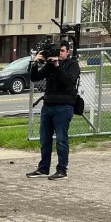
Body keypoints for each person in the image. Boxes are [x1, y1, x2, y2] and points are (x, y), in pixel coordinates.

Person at [26, 41, 80, 181]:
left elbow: (69, 81)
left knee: (61, 139)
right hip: (48, 105)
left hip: (64, 106)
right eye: (58, 51)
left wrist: (57, 66)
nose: (59, 53)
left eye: (62, 51)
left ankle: (62, 170)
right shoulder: (50, 66)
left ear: (68, 52)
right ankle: (43, 168)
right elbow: (35, 78)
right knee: (45, 139)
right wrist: (36, 63)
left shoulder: (72, 64)